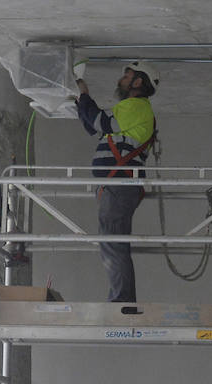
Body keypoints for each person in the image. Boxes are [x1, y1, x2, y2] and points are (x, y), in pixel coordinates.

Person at [75, 61, 159, 303]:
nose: (121, 79)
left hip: (119, 185)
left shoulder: (136, 107)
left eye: (127, 75)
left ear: (138, 82)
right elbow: (95, 127)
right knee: (112, 242)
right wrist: (81, 102)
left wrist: (84, 94)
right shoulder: (129, 110)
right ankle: (122, 300)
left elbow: (99, 122)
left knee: (112, 243)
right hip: (116, 186)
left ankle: (122, 302)